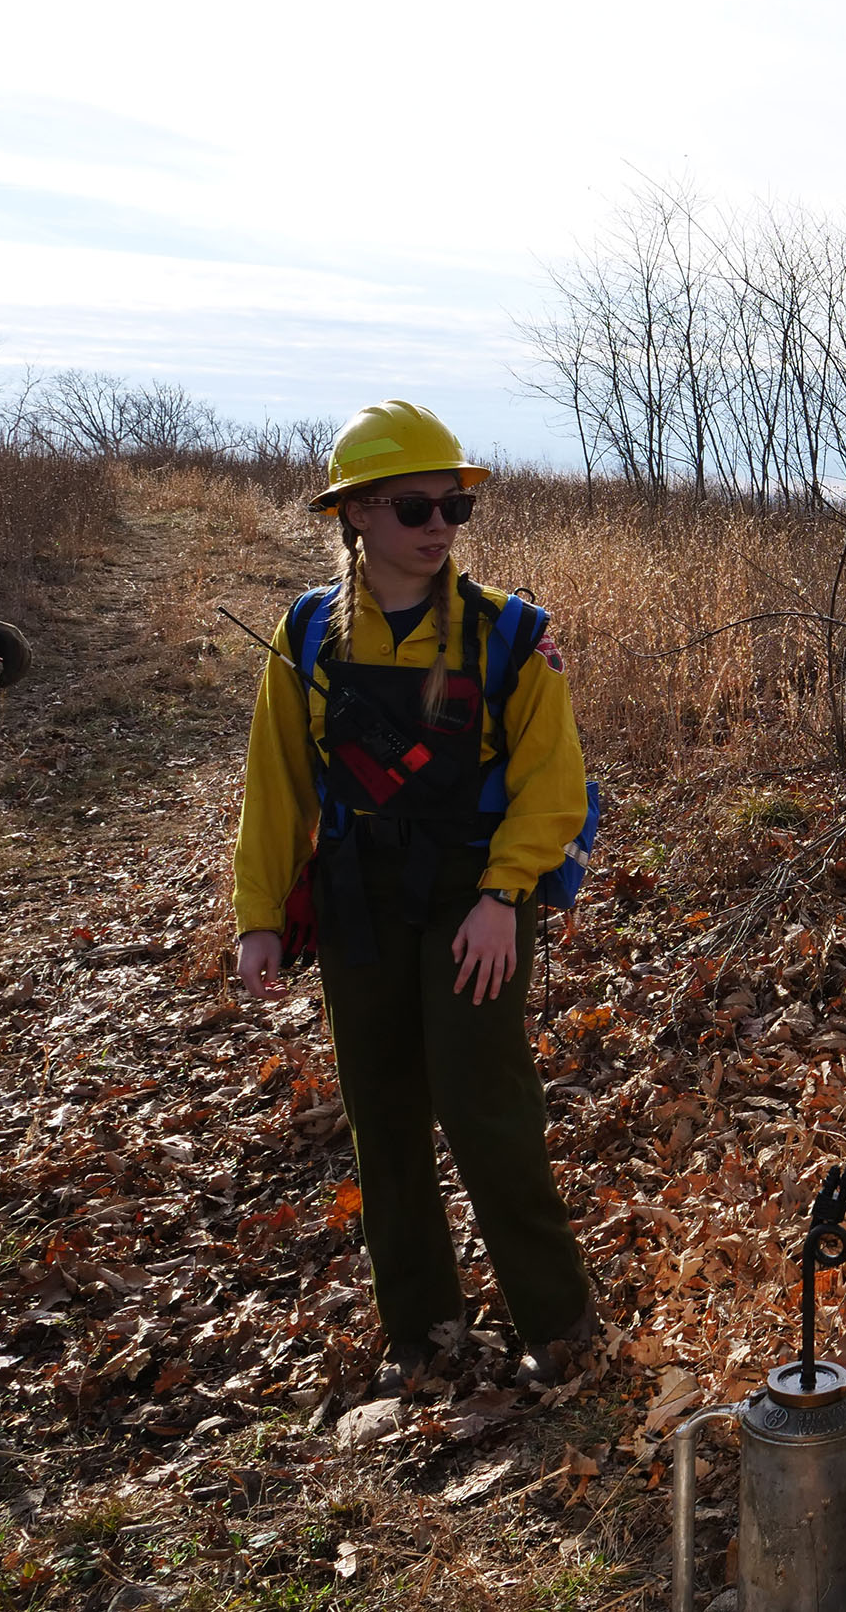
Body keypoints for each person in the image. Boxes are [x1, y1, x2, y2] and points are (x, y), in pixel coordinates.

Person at [232, 401, 595, 1391]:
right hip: (357, 894)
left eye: (454, 506)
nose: (438, 525)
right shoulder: (306, 634)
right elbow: (277, 784)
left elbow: (553, 788)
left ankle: (561, 1329)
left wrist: (501, 895)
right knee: (382, 1117)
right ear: (354, 515)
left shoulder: (512, 637)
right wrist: (260, 917)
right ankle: (423, 1331)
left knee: (487, 1108)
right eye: (414, 506)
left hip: (474, 896)